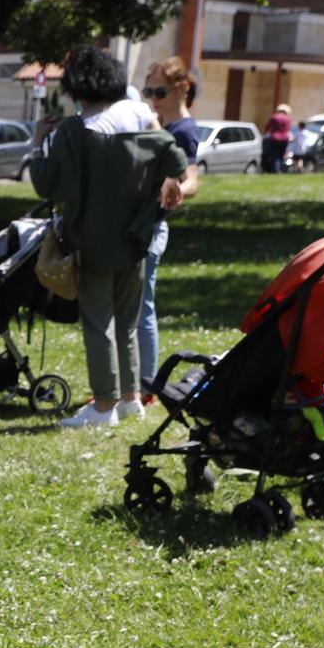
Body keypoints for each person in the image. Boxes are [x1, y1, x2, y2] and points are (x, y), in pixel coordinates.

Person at [30, 47, 187, 430]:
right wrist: (168, 183)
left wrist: (38, 142)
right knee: (128, 321)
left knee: (98, 321)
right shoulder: (140, 116)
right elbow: (176, 161)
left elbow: (46, 184)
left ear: (76, 86)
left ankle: (103, 406)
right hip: (136, 236)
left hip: (92, 238)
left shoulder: (75, 130)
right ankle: (131, 398)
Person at [137, 58, 203, 400]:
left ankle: (147, 385)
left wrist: (176, 186)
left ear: (183, 88)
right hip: (138, 224)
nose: (153, 97)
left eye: (160, 91)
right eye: (149, 90)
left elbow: (191, 179)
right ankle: (133, 384)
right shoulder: (159, 122)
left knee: (141, 305)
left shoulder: (184, 131)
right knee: (132, 304)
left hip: (151, 229)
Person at [262, 103, 292, 174]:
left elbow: (267, 127)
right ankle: (279, 169)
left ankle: (275, 170)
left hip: (275, 138)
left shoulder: (274, 117)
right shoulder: (288, 118)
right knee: (281, 155)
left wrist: (265, 133)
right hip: (285, 139)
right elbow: (287, 129)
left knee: (275, 155)